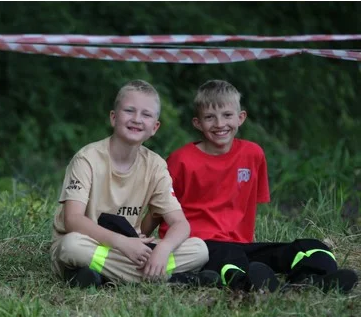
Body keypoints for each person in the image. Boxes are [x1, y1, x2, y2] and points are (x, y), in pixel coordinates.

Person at [143, 80, 357, 293]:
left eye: (227, 115)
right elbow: (158, 210)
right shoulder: (180, 160)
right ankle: (247, 283)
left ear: (241, 117)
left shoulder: (253, 154)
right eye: (210, 117)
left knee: (311, 247)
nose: (219, 123)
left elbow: (245, 205)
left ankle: (309, 281)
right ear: (197, 123)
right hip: (199, 247)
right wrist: (138, 240)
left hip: (241, 245)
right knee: (229, 259)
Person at [51, 80, 208, 287]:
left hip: (133, 249)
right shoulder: (87, 159)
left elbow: (180, 224)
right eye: (129, 111)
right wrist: (122, 243)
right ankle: (165, 278)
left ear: (155, 127)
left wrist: (163, 249)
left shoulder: (156, 165)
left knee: (199, 250)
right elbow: (73, 220)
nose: (137, 119)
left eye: (146, 114)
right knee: (71, 246)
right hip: (92, 243)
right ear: (113, 117)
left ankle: (101, 277)